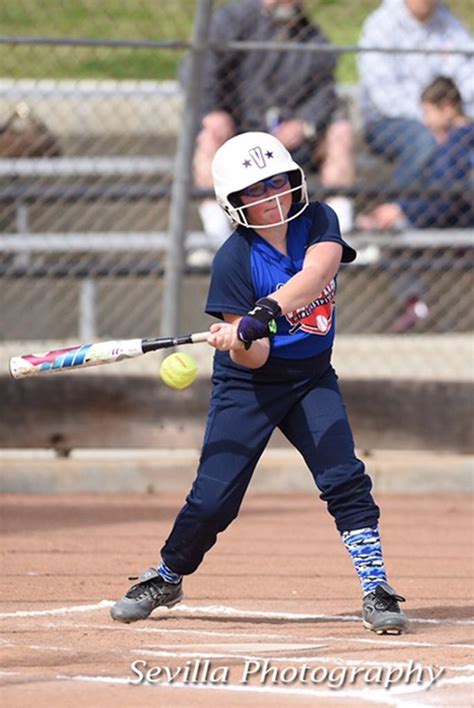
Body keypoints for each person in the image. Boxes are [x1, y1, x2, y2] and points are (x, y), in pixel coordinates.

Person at [111, 131, 408, 636]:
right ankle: (167, 575)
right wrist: (239, 339)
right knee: (213, 499)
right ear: (234, 204)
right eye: (255, 190)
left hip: (312, 377)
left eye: (277, 183)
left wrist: (264, 312)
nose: (271, 197)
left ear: (295, 182)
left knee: (343, 477)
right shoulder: (233, 262)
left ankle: (376, 587)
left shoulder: (318, 220)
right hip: (250, 386)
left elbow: (319, 270)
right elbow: (258, 357)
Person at [189, 0, 355, 266]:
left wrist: (304, 124)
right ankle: (218, 243)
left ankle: (341, 238)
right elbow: (198, 69)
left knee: (341, 132)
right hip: (239, 138)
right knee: (208, 138)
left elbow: (326, 94)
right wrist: (212, 112)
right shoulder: (235, 20)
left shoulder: (314, 39)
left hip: (293, 146)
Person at [358, 0, 473, 189]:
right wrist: (431, 119)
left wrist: (456, 117)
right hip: (389, 121)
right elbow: (385, 97)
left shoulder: (450, 23)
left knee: (462, 138)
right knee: (423, 142)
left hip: (447, 116)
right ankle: (399, 211)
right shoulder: (382, 25)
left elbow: (468, 76)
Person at [358, 76, 474, 231]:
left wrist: (402, 210)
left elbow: (445, 195)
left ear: (447, 108)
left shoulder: (457, 144)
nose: (425, 121)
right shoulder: (460, 139)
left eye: (427, 112)